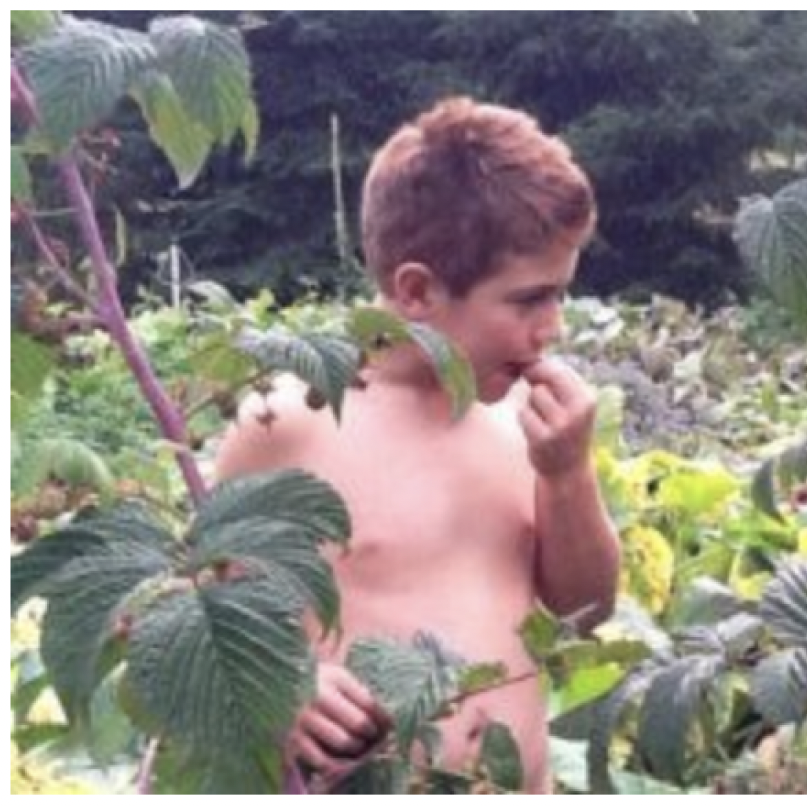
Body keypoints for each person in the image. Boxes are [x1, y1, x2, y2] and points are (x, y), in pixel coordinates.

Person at [214, 97, 620, 793]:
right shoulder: (291, 423)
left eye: (561, 295)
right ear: (416, 291)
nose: (553, 327)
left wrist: (566, 474)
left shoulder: (521, 420)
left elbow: (587, 608)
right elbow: (211, 621)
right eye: (529, 299)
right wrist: (286, 683)